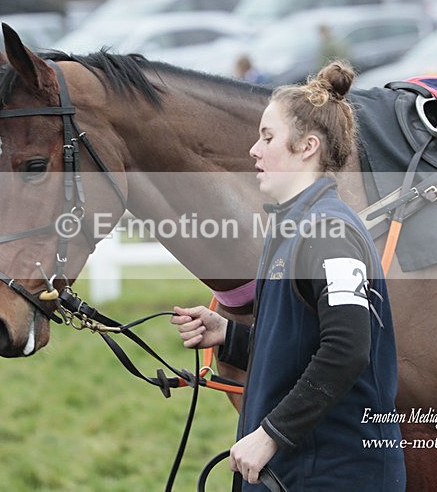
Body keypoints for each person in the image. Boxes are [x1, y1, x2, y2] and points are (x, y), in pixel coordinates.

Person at [171, 61, 405, 490]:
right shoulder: (292, 228)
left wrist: (270, 436)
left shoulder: (330, 234)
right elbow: (303, 344)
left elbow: (349, 349)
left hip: (336, 476)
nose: (254, 151)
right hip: (297, 473)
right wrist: (230, 334)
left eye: (267, 137)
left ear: (308, 146)